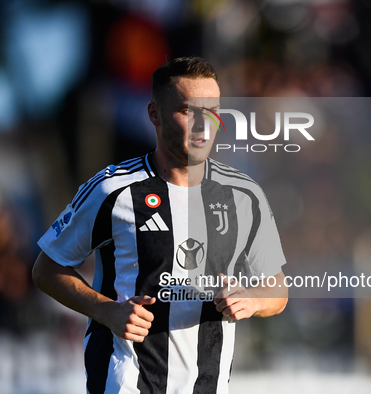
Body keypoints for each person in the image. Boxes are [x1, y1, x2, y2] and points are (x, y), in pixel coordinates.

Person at [32, 57, 288, 394]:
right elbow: (46, 269)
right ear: (154, 114)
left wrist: (252, 301)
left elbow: (277, 289)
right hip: (126, 381)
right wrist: (106, 310)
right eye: (187, 111)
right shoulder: (113, 190)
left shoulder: (245, 195)